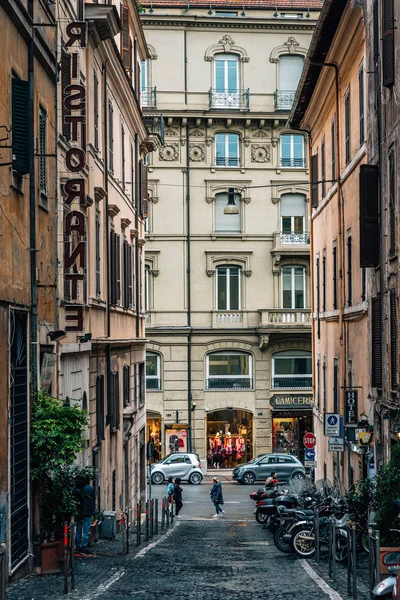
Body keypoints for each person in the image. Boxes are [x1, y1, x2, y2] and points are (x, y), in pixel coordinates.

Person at [73, 476, 95, 553]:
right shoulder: (91, 489)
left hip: (79, 512)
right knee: (86, 531)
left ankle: (78, 546)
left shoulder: (75, 489)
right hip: (88, 512)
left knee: (78, 530)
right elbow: (93, 500)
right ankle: (84, 546)